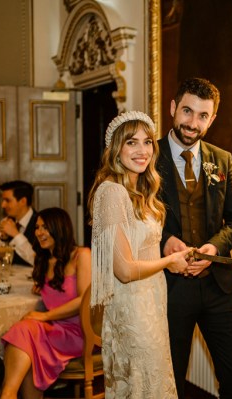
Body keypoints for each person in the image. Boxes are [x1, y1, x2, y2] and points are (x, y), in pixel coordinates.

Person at [157, 77, 232, 399]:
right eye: (187, 111)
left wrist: (215, 247)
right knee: (170, 381)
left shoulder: (221, 160)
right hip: (167, 290)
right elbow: (132, 220)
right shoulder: (146, 158)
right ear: (173, 108)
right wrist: (164, 241)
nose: (192, 123)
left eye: (202, 116)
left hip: (218, 288)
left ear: (212, 119)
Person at [88, 110, 189, 398]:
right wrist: (169, 262)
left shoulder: (140, 192)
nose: (142, 150)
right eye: (132, 142)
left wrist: (169, 247)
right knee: (141, 386)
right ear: (116, 149)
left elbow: (141, 249)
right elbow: (124, 270)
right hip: (131, 309)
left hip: (152, 302)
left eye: (147, 142)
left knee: (153, 382)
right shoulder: (112, 192)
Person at [0, 207, 91, 399]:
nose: (38, 232)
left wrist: (44, 315)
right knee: (25, 342)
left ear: (59, 228)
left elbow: (84, 299)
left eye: (44, 227)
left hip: (80, 332)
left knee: (24, 331)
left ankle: (7, 394)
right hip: (55, 330)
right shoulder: (44, 261)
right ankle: (8, 393)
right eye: (38, 227)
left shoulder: (81, 255)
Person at [0, 180, 37, 266]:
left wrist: (16, 235)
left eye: (7, 200)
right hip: (9, 278)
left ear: (23, 201)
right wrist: (3, 239)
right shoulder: (5, 221)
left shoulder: (42, 223)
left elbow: (38, 261)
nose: (2, 205)